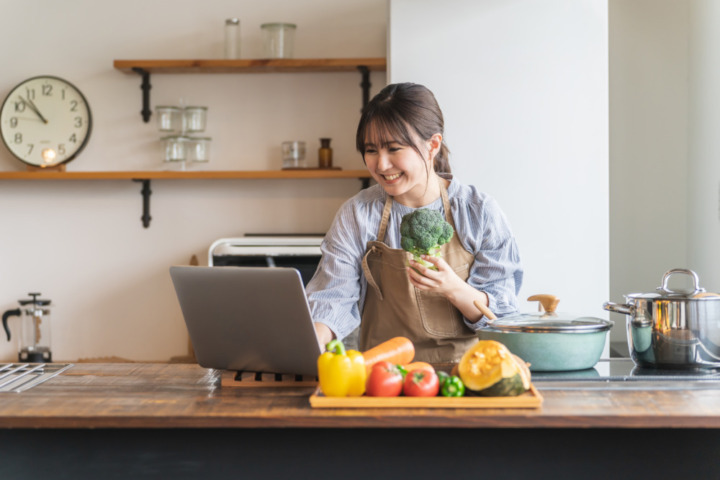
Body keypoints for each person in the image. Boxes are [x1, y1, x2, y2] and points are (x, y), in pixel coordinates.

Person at [306, 82, 523, 363]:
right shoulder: (358, 214)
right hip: (383, 378)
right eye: (371, 151)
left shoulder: (477, 212)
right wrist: (311, 341)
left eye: (394, 149)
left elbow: (502, 318)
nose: (381, 165)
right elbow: (333, 296)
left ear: (432, 145)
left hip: (466, 378)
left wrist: (453, 288)